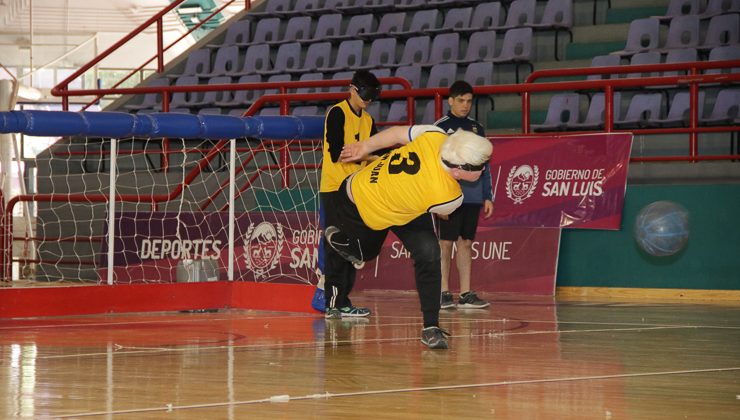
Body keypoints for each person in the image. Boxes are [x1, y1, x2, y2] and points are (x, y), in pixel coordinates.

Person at [323, 125, 493, 349]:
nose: (484, 170)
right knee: (367, 252)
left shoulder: (435, 135)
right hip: (366, 201)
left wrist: (365, 146)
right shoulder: (450, 196)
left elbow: (395, 134)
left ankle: (431, 326)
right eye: (481, 166)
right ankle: (342, 243)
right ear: (459, 170)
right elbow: (442, 210)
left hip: (371, 189)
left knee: (429, 253)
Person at [319, 70, 382, 319]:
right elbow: (338, 153)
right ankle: (333, 303)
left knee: (352, 247)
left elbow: (377, 149)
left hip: (356, 190)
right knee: (336, 247)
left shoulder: (367, 121)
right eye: (365, 93)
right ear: (352, 89)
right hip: (335, 188)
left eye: (372, 96)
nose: (368, 100)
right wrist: (367, 153)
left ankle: (344, 300)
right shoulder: (337, 113)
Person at [434, 80, 493, 310]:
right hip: (449, 196)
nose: (465, 105)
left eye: (469, 101)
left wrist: (487, 195)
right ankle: (442, 292)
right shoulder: (439, 127)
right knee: (445, 243)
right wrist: (437, 198)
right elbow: (434, 164)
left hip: (473, 196)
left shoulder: (478, 128)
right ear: (450, 101)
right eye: (461, 100)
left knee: (466, 243)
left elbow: (485, 165)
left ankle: (466, 293)